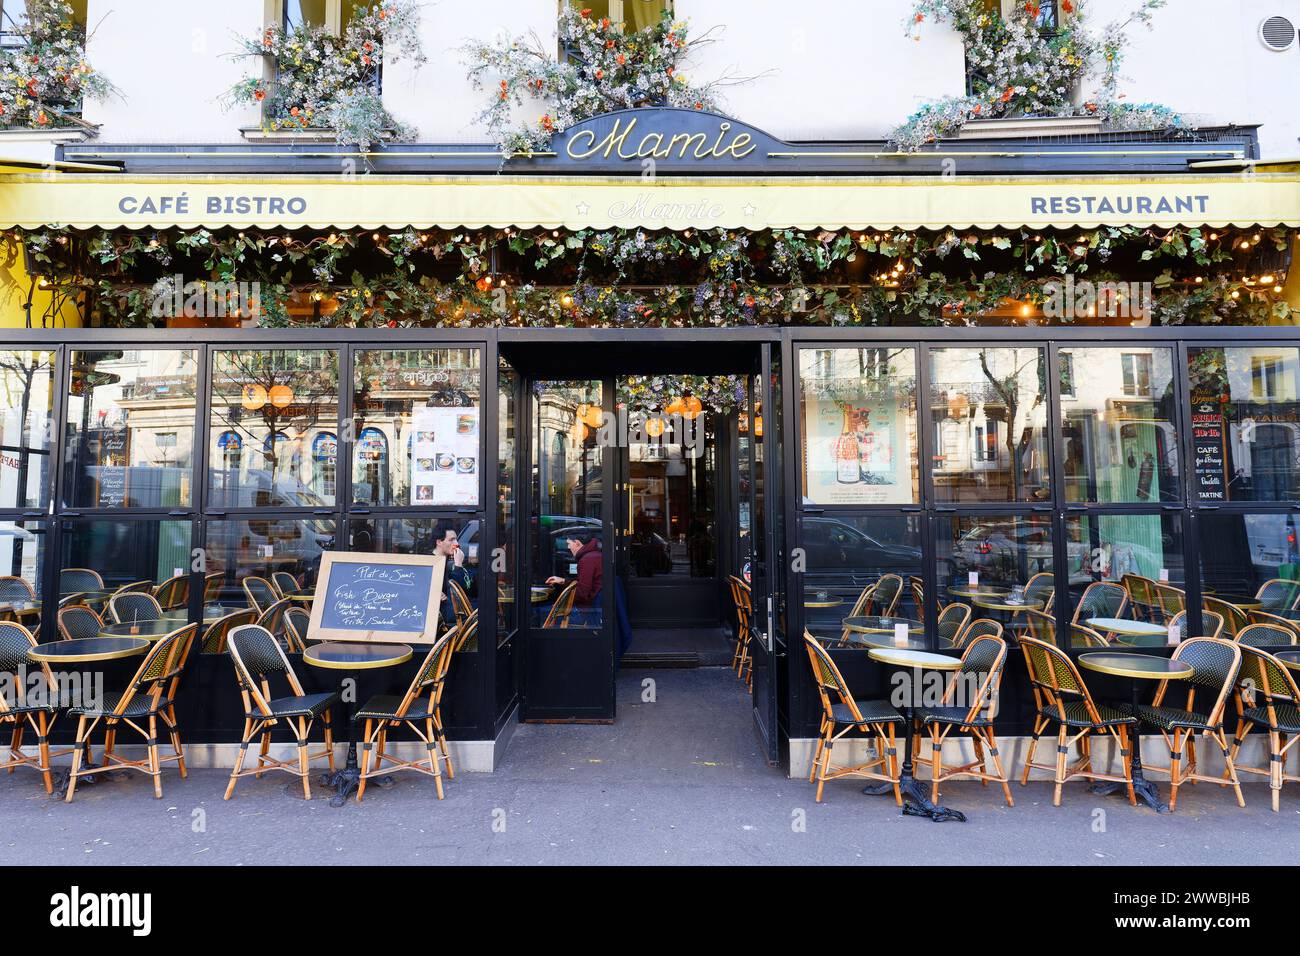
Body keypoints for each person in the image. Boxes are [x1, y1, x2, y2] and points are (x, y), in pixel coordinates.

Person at [546, 533, 602, 625]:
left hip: (587, 612)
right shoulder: (594, 555)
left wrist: (562, 604)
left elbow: (582, 593)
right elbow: (585, 583)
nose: (568, 547)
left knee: (540, 613)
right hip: (592, 607)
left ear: (577, 543)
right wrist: (563, 580)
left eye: (569, 543)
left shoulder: (587, 560)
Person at [432, 521, 474, 624]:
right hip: (441, 620)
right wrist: (458, 564)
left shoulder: (446, 562)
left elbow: (465, 589)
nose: (456, 544)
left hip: (451, 615)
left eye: (456, 539)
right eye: (451, 540)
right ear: (439, 542)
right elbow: (456, 591)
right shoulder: (430, 563)